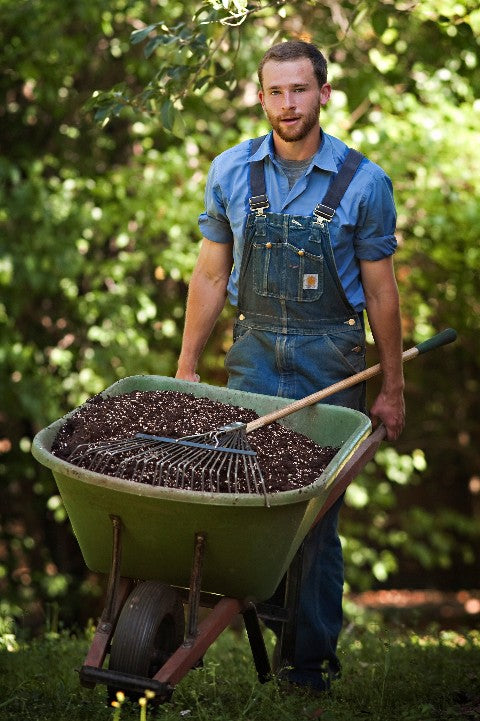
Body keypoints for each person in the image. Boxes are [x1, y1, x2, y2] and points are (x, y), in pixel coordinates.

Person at [176, 40, 405, 692]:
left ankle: (307, 668)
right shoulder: (230, 171)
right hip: (251, 356)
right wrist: (187, 365)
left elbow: (382, 293)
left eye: (299, 90)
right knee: (249, 505)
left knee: (313, 518)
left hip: (329, 362)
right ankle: (275, 627)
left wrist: (393, 386)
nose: (287, 104)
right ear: (260, 96)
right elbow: (211, 274)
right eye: (275, 91)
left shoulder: (364, 183)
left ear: (324, 93)